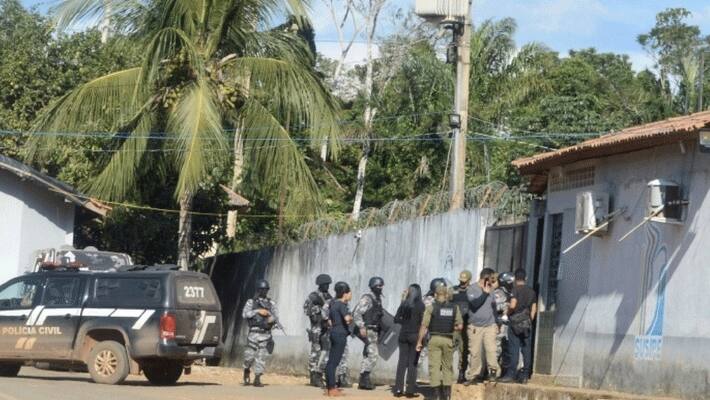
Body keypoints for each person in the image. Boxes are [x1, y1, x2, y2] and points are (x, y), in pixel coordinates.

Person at [416, 285, 463, 400]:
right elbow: (460, 326)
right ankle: (446, 395)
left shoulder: (431, 308)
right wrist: (451, 328)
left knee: (434, 367)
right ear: (447, 295)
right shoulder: (454, 308)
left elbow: (424, 326)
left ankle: (436, 395)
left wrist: (419, 342)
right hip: (448, 339)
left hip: (434, 339)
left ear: (435, 295)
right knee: (447, 367)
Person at [499, 269, 537, 384]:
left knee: (513, 348)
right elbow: (534, 309)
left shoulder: (515, 290)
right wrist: (529, 320)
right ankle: (525, 375)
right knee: (526, 349)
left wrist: (506, 313)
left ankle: (511, 374)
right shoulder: (531, 291)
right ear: (525, 278)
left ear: (515, 279)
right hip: (527, 324)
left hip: (514, 323)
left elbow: (513, 304)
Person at [242, 279, 280, 387]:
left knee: (261, 357)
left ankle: (257, 378)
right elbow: (245, 314)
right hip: (253, 334)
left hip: (265, 334)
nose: (264, 292)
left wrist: (271, 319)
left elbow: (276, 317)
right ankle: (246, 370)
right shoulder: (251, 302)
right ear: (258, 290)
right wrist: (258, 311)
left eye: (266, 289)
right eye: (262, 289)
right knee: (249, 357)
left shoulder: (271, 303)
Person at [465, 268, 498, 384]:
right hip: (475, 326)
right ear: (485, 278)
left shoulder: (492, 289)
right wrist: (484, 293)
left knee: (491, 349)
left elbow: (494, 306)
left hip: (490, 325)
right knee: (475, 352)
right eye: (491, 278)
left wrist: (497, 323)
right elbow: (474, 304)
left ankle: (493, 372)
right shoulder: (472, 289)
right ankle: (474, 375)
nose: (493, 281)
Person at [353, 276, 385, 390]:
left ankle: (363, 380)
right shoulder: (367, 298)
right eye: (379, 286)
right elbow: (356, 313)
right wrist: (361, 327)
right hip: (368, 330)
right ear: (373, 286)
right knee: (373, 355)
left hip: (374, 331)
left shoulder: (377, 299)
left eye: (382, 286)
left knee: (368, 355)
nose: (381, 288)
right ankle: (364, 378)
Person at [393, 284, 425, 398]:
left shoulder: (404, 304)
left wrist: (404, 322)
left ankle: (398, 389)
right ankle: (410, 391)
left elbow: (396, 319)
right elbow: (423, 322)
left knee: (402, 362)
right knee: (413, 363)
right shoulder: (421, 305)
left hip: (403, 335)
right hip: (415, 335)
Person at [325, 281, 353, 397]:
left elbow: (329, 321)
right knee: (333, 362)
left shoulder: (333, 304)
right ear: (345, 294)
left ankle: (330, 387)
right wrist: (351, 317)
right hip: (340, 335)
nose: (351, 295)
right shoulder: (342, 305)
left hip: (334, 333)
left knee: (331, 361)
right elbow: (347, 319)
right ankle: (331, 389)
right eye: (350, 293)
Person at [304, 274, 333, 387]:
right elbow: (306, 309)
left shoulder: (329, 296)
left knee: (325, 351)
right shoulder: (313, 296)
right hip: (316, 327)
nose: (327, 286)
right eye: (325, 284)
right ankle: (313, 375)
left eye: (328, 284)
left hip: (326, 327)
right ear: (320, 284)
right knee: (315, 351)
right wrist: (318, 310)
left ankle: (319, 373)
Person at [451, 270, 472, 384]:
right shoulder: (453, 290)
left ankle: (461, 373)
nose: (462, 283)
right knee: (449, 350)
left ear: (469, 280)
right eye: (461, 281)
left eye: (465, 282)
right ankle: (446, 374)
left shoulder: (472, 291)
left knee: (463, 352)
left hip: (467, 326)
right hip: (454, 326)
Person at [492, 272, 514, 377]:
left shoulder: (511, 293)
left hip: (508, 325)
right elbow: (495, 307)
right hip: (500, 324)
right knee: (496, 349)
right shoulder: (498, 293)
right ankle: (493, 372)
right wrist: (507, 306)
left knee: (507, 350)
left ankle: (505, 372)